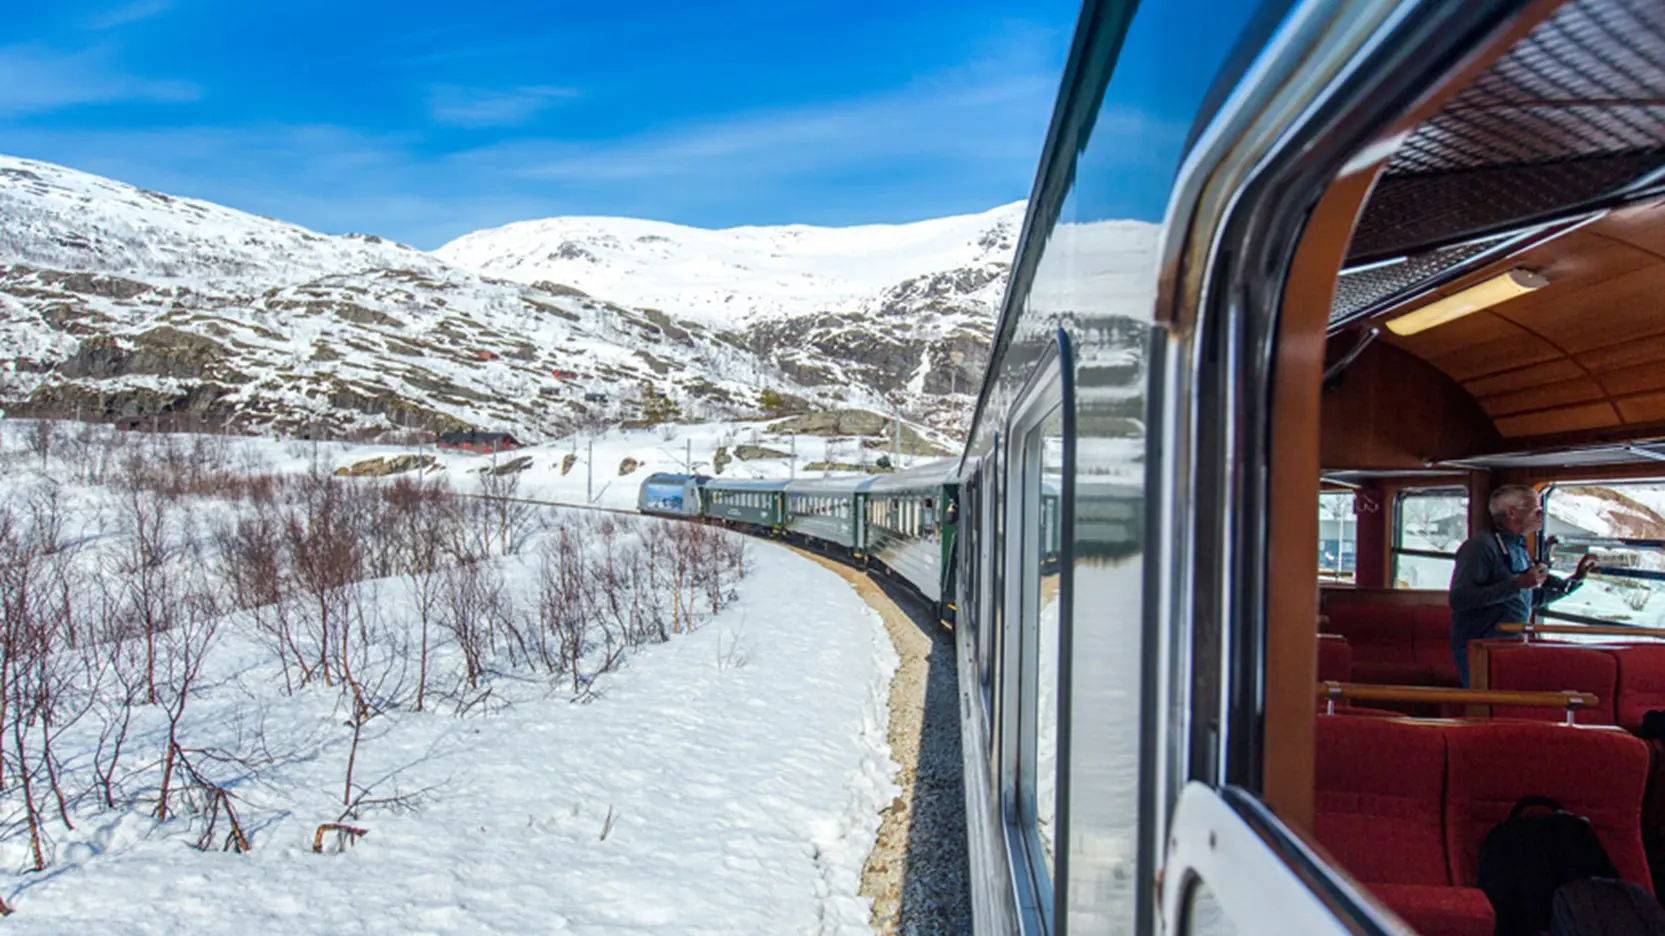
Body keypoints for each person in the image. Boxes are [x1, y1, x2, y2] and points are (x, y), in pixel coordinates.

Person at [1448, 484, 1597, 686]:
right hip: (1479, 648)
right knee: (1484, 709)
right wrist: (1517, 585)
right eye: (1536, 510)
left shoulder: (1518, 548)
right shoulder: (1480, 547)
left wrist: (1576, 580)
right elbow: (1460, 599)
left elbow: (1530, 597)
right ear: (1512, 512)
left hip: (1509, 644)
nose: (1542, 515)